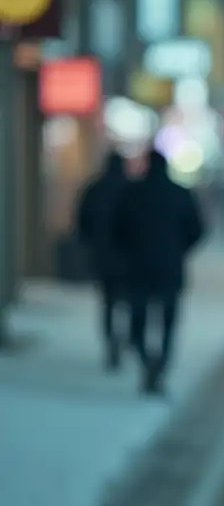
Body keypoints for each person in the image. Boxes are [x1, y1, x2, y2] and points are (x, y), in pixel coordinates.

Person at [114, 148, 205, 394]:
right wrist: (178, 249)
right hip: (169, 267)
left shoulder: (132, 193)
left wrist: (129, 251)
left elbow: (117, 230)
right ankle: (161, 363)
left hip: (138, 268)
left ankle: (146, 360)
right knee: (167, 321)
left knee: (139, 319)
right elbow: (197, 230)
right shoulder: (180, 193)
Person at [76, 151, 129, 370]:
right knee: (128, 303)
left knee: (108, 304)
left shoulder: (95, 189)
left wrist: (90, 245)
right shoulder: (131, 190)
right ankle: (126, 341)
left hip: (103, 255)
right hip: (128, 258)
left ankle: (111, 344)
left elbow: (82, 221)